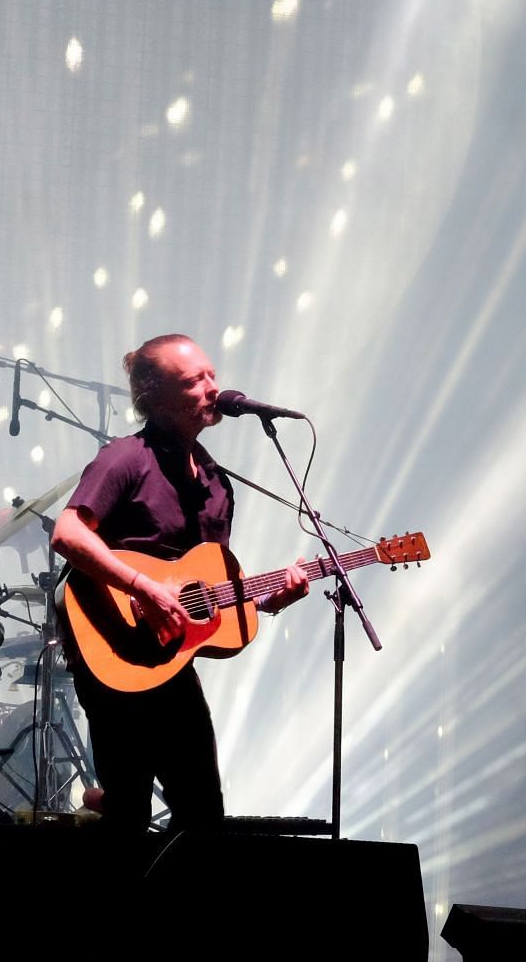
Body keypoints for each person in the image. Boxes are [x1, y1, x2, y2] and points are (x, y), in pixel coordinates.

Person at [50, 333, 309, 830]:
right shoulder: (126, 459)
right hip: (113, 645)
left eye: (212, 375)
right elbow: (67, 534)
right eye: (193, 381)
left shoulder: (215, 484)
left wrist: (270, 600)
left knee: (203, 816)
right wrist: (143, 587)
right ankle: (99, 820)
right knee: (130, 816)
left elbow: (211, 587)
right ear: (153, 395)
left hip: (168, 663)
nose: (212, 388)